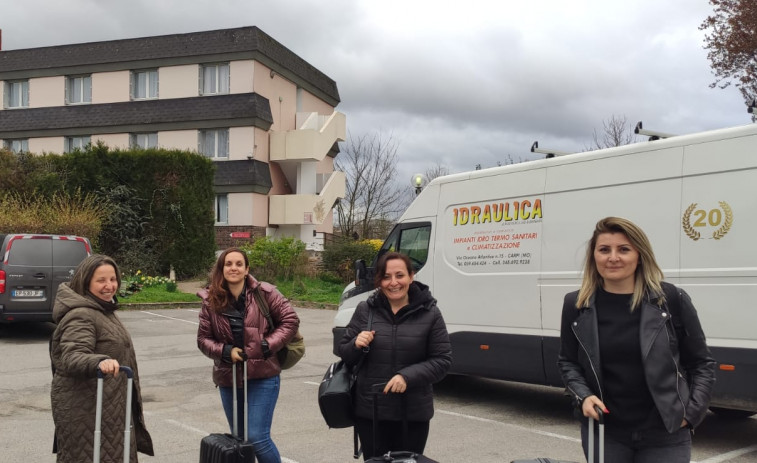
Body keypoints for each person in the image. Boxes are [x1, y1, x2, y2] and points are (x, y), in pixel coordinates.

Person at [558, 217, 716, 463]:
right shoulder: (577, 304)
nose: (613, 257)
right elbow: (568, 362)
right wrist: (584, 396)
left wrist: (690, 414)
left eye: (623, 249)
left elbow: (701, 363)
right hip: (605, 431)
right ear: (594, 256)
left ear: (639, 255)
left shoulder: (671, 299)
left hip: (666, 432)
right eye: (604, 250)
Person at [338, 252, 452, 460]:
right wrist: (356, 344)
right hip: (371, 411)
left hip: (413, 413)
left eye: (399, 275)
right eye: (386, 277)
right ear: (379, 280)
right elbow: (345, 352)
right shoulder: (366, 310)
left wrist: (406, 376)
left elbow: (442, 360)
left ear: (411, 276)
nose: (393, 283)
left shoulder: (431, 313)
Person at [197, 247, 299, 463]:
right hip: (229, 377)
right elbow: (203, 339)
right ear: (221, 269)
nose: (233, 268)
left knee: (257, 438)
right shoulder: (210, 300)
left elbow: (290, 320)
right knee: (239, 441)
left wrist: (267, 345)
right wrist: (225, 351)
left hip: (263, 375)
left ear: (246, 270)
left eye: (238, 264)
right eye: (228, 264)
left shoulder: (266, 293)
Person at [50, 254, 154, 463]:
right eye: (101, 280)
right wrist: (98, 361)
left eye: (113, 279)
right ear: (85, 282)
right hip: (88, 412)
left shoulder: (102, 310)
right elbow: (73, 355)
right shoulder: (81, 314)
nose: (109, 286)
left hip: (110, 409)